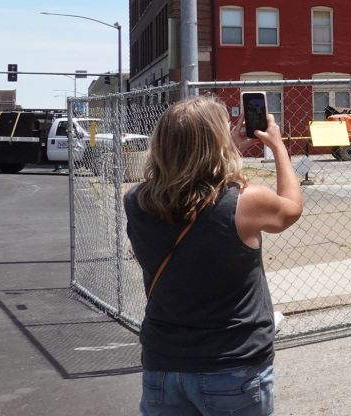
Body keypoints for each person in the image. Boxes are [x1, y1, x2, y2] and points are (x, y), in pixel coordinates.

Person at [125, 95, 303, 416]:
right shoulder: (245, 202)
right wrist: (278, 147)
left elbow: (190, 187)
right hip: (232, 364)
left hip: (164, 363)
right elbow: (290, 210)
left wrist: (227, 146)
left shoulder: (136, 201)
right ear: (217, 143)